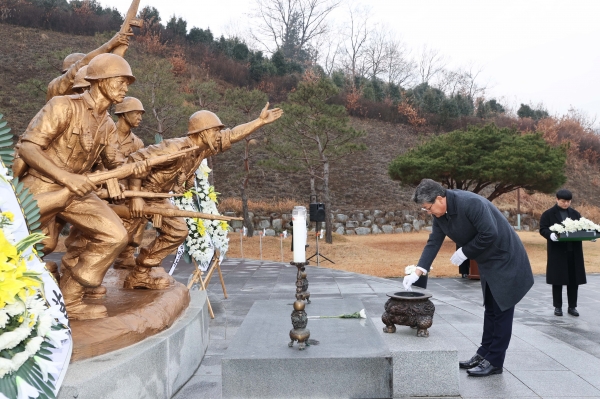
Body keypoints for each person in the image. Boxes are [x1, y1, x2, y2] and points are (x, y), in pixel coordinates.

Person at [16, 53, 147, 320]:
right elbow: (29, 148)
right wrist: (66, 179)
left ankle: (71, 298)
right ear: (100, 81)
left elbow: (115, 161)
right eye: (121, 81)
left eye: (127, 83)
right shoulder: (62, 105)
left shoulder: (108, 124)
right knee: (35, 243)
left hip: (78, 192)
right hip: (42, 185)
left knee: (115, 235)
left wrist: (139, 164)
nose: (125, 88)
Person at [121, 104, 283, 290]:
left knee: (177, 231)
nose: (218, 136)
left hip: (157, 197)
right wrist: (135, 197)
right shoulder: (174, 148)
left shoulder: (202, 149)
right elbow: (136, 159)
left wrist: (259, 121)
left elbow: (231, 135)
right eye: (215, 131)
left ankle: (140, 272)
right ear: (203, 132)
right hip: (138, 195)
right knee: (117, 239)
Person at [403, 179, 534, 377]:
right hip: (488, 261)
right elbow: (434, 241)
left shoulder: (471, 203)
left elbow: (490, 232)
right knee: (491, 308)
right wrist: (418, 271)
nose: (428, 212)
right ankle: (483, 354)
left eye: (428, 208)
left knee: (502, 310)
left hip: (505, 257)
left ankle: (495, 361)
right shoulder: (441, 213)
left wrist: (465, 252)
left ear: (439, 198)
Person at [539, 189, 587, 317]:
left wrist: (589, 234)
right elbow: (543, 229)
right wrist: (550, 235)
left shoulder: (575, 214)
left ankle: (572, 307)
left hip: (573, 252)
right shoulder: (548, 214)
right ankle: (558, 307)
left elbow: (582, 227)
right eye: (563, 201)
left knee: (573, 281)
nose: (566, 204)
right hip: (558, 253)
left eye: (568, 201)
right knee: (558, 280)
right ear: (557, 199)